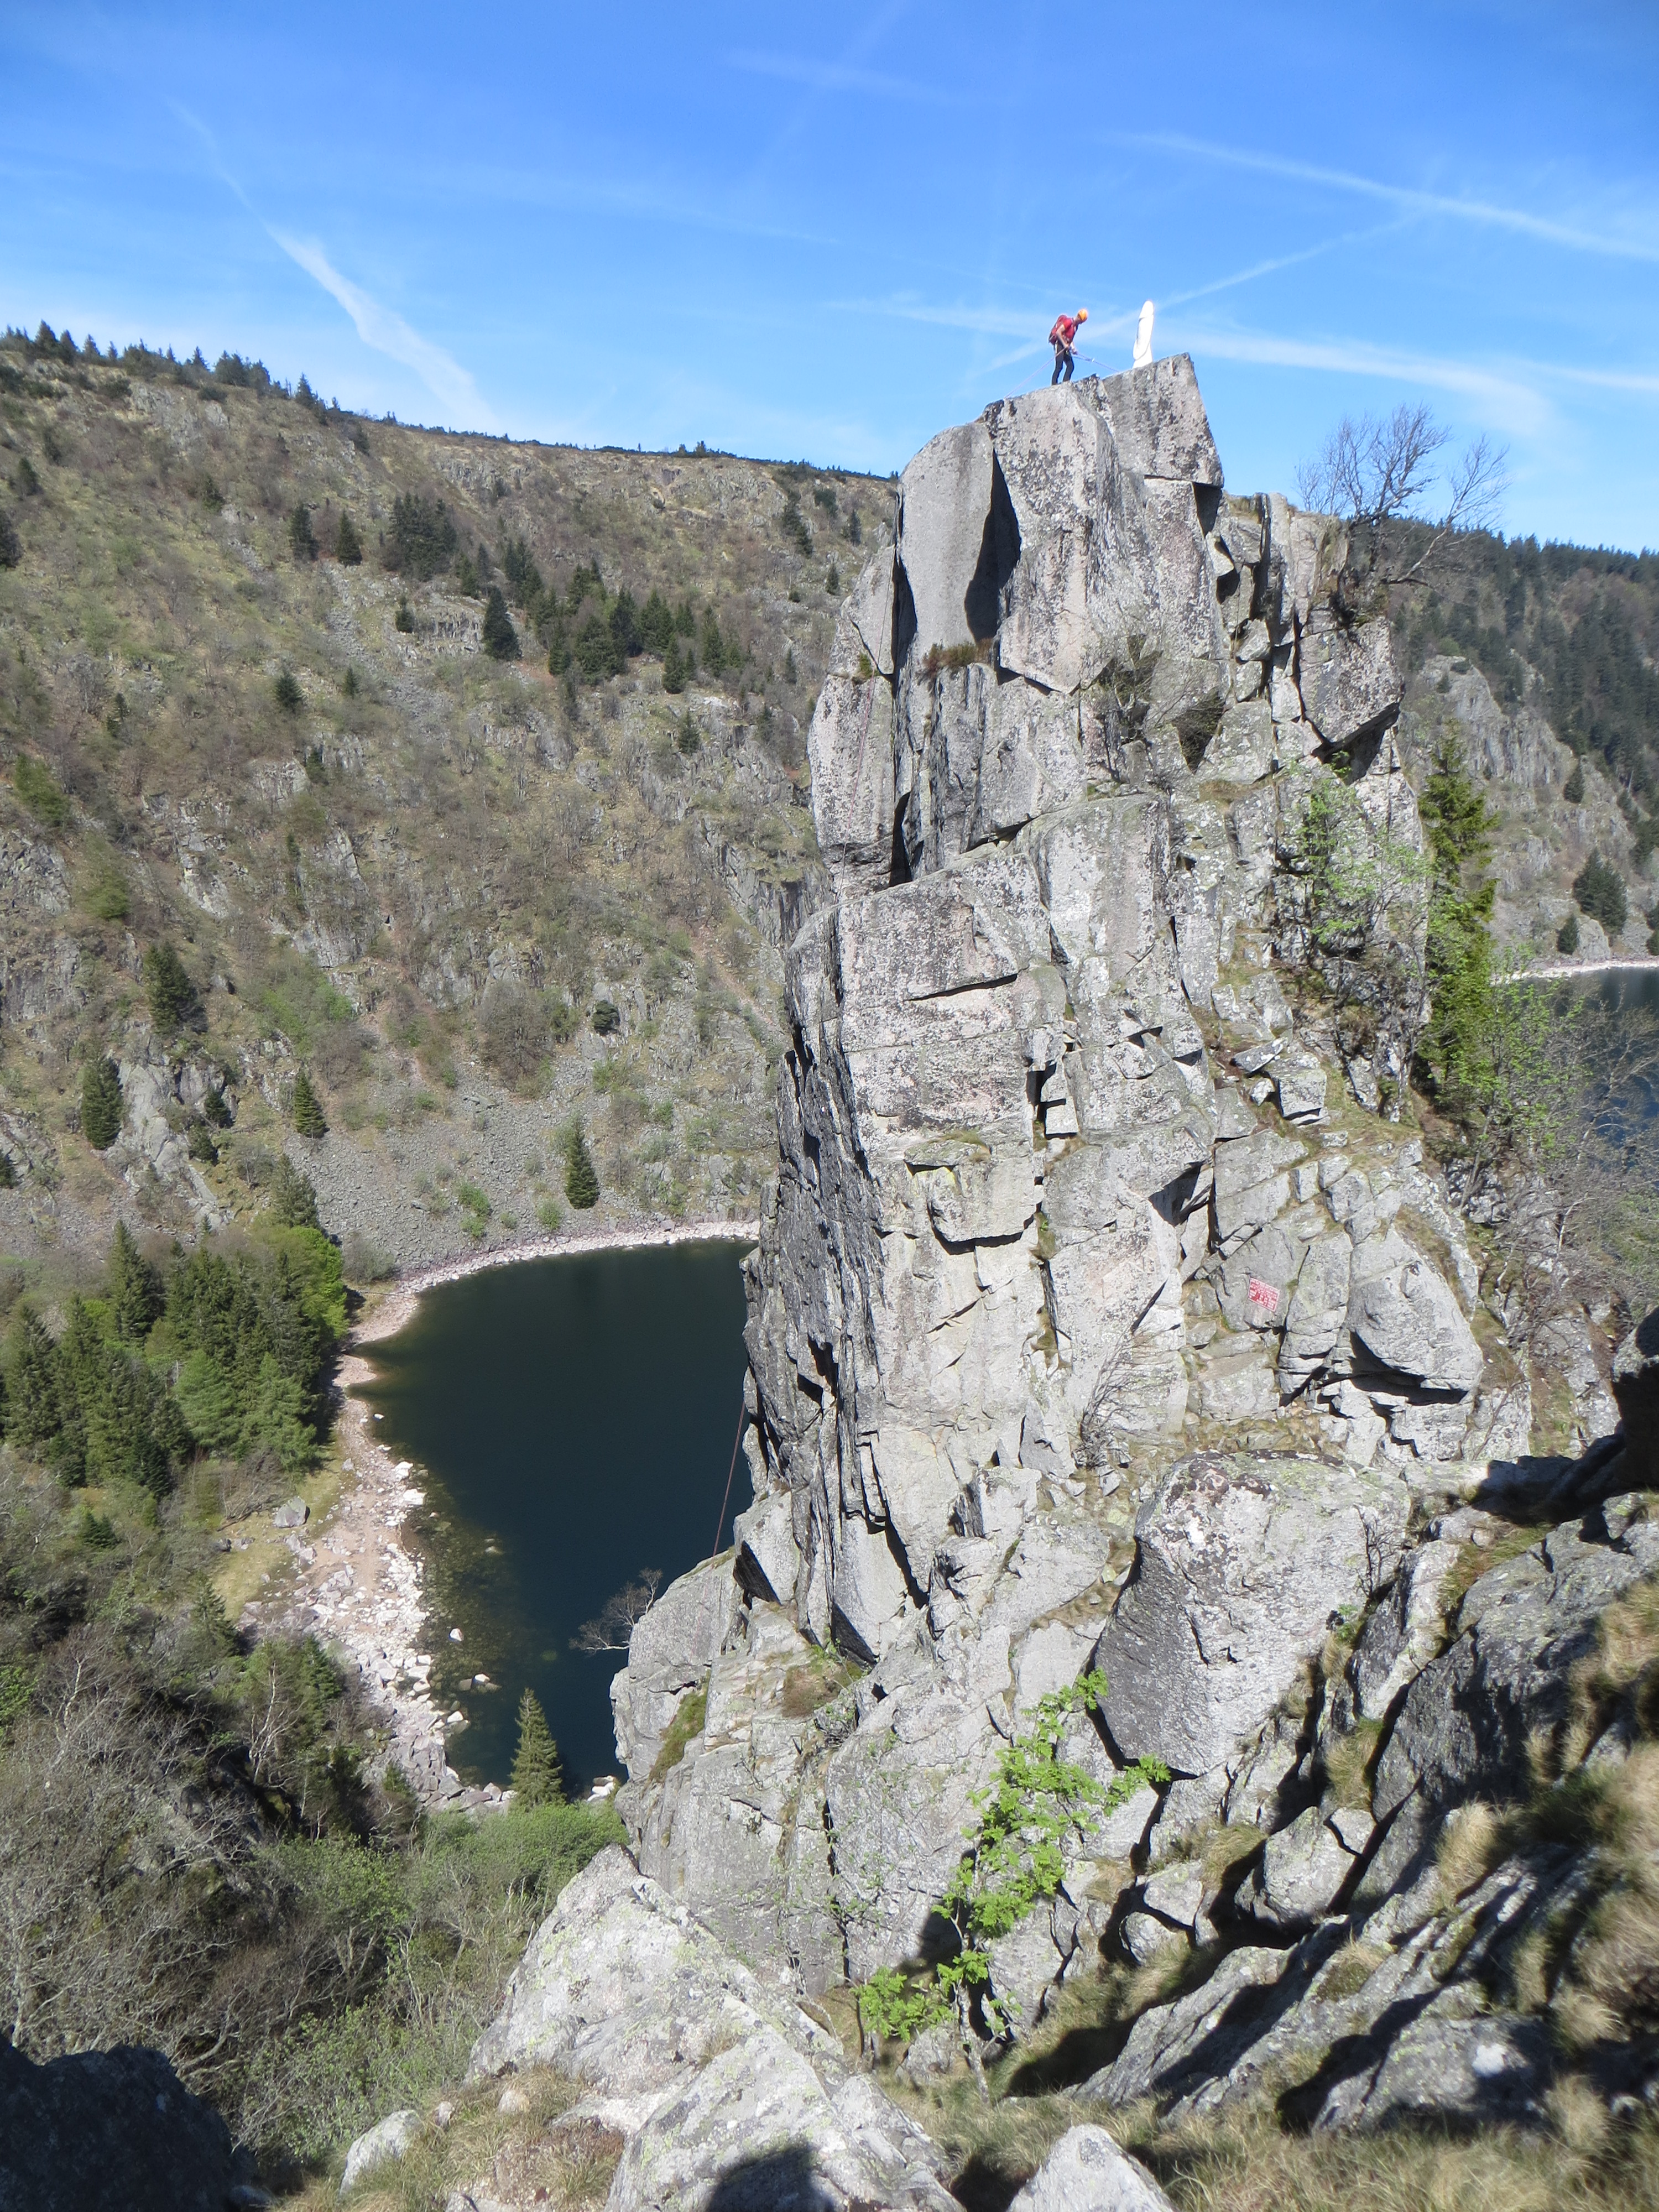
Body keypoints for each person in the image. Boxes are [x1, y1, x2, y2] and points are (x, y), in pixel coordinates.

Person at [1048, 307, 1087, 384]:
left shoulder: (1075, 327)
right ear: (1078, 317)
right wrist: (1064, 344)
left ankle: (1065, 383)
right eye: (1080, 321)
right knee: (1059, 366)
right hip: (1059, 345)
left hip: (1065, 347)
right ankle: (1054, 385)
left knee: (1071, 366)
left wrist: (1073, 348)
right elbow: (1058, 332)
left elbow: (1070, 339)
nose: (1080, 323)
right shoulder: (1069, 322)